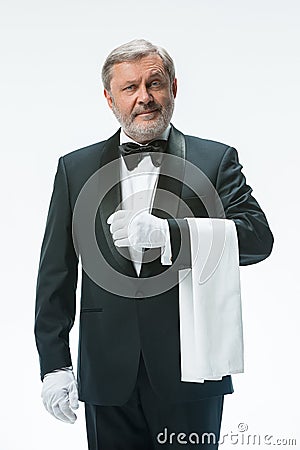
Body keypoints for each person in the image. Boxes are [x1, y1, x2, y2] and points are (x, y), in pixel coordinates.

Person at [35, 39, 274, 449]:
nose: (144, 97)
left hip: (193, 371)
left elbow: (257, 239)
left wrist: (172, 233)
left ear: (174, 88)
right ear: (109, 98)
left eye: (155, 83)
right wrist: (54, 365)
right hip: (106, 375)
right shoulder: (74, 168)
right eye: (130, 88)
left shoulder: (215, 159)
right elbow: (56, 274)